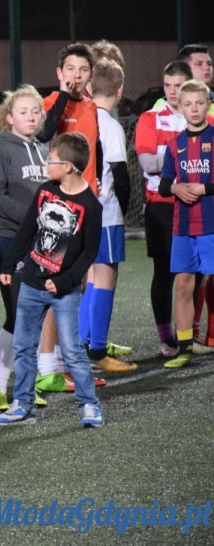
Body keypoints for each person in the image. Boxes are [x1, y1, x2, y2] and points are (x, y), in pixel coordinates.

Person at [0, 132, 104, 428]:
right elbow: (28, 230)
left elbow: (89, 252)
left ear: (68, 166)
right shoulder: (45, 190)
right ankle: (23, 404)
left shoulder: (91, 206)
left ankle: (89, 405)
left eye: (52, 159)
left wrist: (66, 281)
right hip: (31, 283)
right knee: (24, 346)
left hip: (63, 291)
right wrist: (8, 264)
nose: (47, 163)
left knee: (71, 350)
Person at [33, 43, 101, 394]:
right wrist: (62, 95)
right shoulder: (50, 103)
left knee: (77, 286)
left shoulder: (91, 107)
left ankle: (62, 362)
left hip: (86, 206)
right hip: (61, 210)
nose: (76, 75)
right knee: (55, 286)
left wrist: (98, 176)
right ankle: (47, 366)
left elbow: (93, 147)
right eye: (70, 69)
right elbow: (45, 134)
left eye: (83, 70)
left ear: (91, 75)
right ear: (60, 73)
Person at [0, 86, 50, 412]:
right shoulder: (0, 145)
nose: (31, 117)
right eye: (24, 111)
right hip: (12, 242)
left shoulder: (45, 149)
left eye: (35, 111)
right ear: (9, 118)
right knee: (18, 315)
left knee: (33, 317)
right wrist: (35, 217)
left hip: (44, 244)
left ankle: (25, 384)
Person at [79, 59, 135, 371]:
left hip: (80, 213)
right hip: (105, 214)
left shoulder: (80, 119)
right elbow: (121, 178)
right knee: (105, 279)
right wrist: (121, 213)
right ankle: (97, 350)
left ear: (89, 87)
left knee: (88, 280)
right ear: (120, 90)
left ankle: (82, 343)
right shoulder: (110, 126)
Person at [135, 61, 192, 356]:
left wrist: (166, 156)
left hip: (197, 203)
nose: (171, 92)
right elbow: (148, 165)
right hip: (162, 206)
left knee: (194, 272)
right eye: (167, 85)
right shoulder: (150, 118)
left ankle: (189, 334)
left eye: (178, 86)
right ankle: (166, 337)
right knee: (165, 272)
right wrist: (187, 159)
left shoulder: (201, 118)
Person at [158, 79, 214, 368]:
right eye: (188, 104)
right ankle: (184, 348)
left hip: (211, 224)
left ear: (208, 104)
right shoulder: (174, 145)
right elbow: (165, 185)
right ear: (180, 107)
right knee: (183, 284)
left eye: (199, 103)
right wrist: (177, 189)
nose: (194, 109)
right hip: (183, 227)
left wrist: (204, 189)